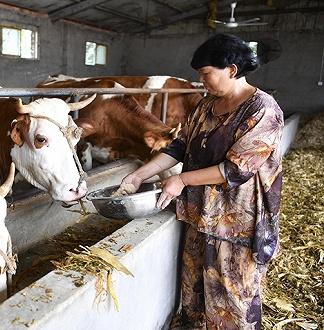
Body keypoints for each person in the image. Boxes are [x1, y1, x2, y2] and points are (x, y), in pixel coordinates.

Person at [120, 33, 284, 329]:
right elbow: (177, 147)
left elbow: (237, 169)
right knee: (194, 298)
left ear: (232, 70)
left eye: (206, 73)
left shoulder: (263, 110)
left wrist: (181, 180)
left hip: (237, 226)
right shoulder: (205, 106)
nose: (201, 81)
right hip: (200, 218)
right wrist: (139, 174)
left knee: (233, 302)